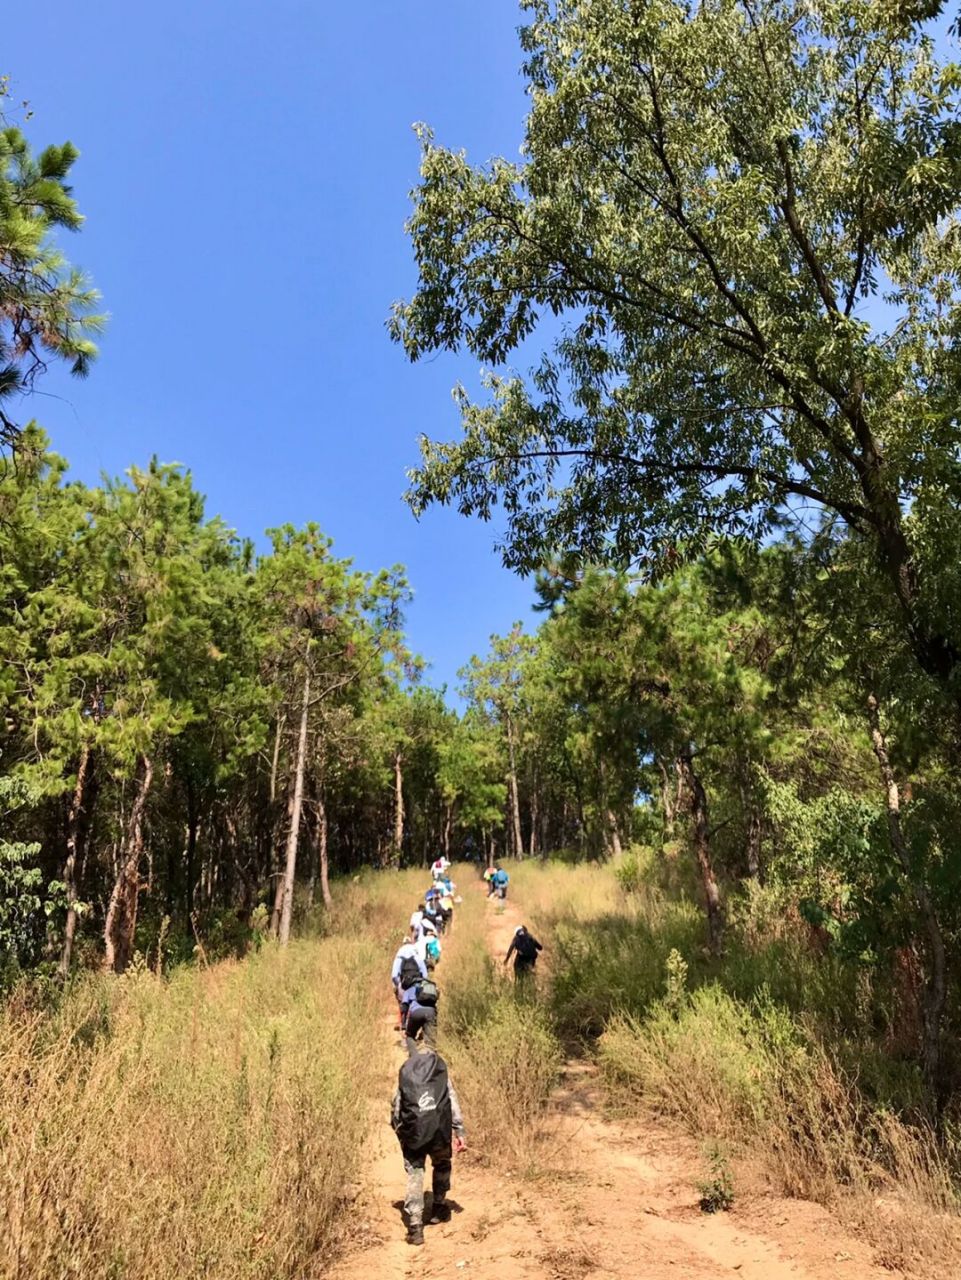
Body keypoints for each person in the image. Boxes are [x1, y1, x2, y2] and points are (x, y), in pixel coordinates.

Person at [391, 1049, 467, 1246]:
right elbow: (453, 1103)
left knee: (415, 1172)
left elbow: (396, 1109)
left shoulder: (407, 1077)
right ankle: (439, 1207)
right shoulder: (440, 1077)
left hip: (415, 1135)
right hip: (439, 1132)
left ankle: (415, 1228)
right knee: (442, 1164)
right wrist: (459, 1132)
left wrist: (401, 1134)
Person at [392, 935, 428, 1032]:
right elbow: (425, 975)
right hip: (417, 986)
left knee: (401, 1001)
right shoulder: (417, 956)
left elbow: (394, 976)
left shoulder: (399, 957)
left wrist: (399, 985)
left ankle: (402, 1022)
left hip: (403, 987)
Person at [405, 977, 439, 1055]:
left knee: (410, 1036)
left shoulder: (411, 989)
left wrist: (404, 1024)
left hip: (415, 1012)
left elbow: (404, 1006)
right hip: (431, 1012)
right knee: (431, 1041)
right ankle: (431, 1058)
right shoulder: (431, 988)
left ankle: (414, 1057)